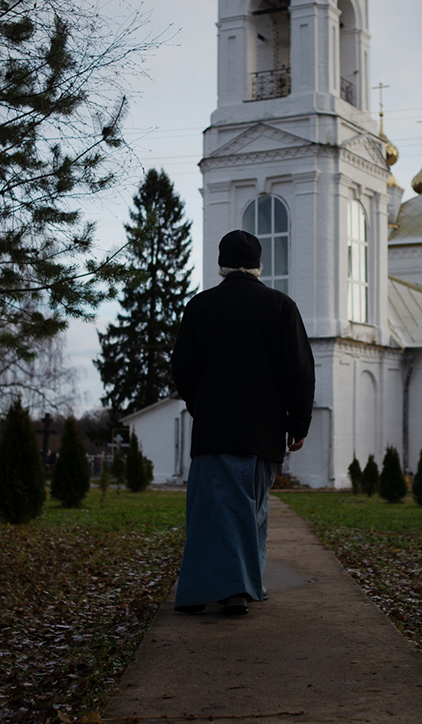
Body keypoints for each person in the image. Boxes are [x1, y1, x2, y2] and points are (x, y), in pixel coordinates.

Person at [170, 230, 315, 615]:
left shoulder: (200, 307)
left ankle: (201, 590)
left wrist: (201, 405)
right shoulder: (280, 306)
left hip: (213, 432)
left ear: (221, 265)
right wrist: (297, 424)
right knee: (252, 512)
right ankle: (240, 590)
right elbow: (299, 371)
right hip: (262, 433)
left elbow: (182, 369)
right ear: (258, 265)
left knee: (208, 514)